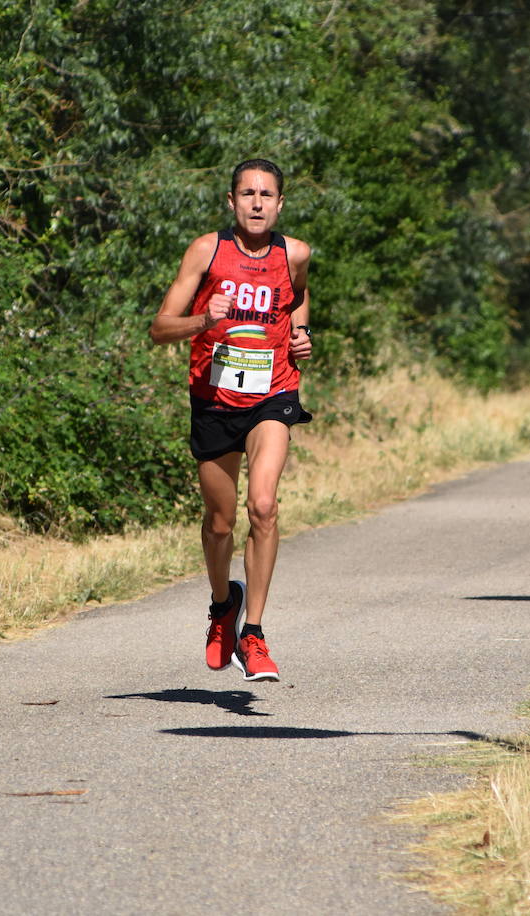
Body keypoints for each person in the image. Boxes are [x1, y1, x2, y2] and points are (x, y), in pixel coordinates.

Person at [149, 159, 313, 682]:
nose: (258, 203)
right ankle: (224, 604)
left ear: (281, 203)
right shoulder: (207, 251)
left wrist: (300, 337)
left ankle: (255, 632)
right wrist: (205, 320)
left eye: (267, 195)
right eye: (248, 194)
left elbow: (299, 297)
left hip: (273, 394)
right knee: (219, 524)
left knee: (263, 506)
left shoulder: (296, 254)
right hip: (215, 399)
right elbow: (158, 328)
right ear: (232, 201)